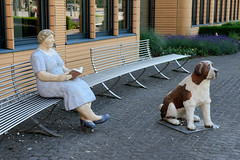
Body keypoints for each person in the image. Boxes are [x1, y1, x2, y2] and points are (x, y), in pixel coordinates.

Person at [30, 29, 109, 130]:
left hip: (61, 79)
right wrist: (58, 78)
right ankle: (93, 117)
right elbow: (41, 75)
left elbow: (62, 67)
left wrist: (72, 72)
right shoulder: (37, 55)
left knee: (81, 83)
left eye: (53, 38)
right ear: (43, 39)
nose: (53, 40)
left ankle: (86, 119)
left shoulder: (53, 51)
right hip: (47, 84)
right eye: (50, 38)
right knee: (72, 88)